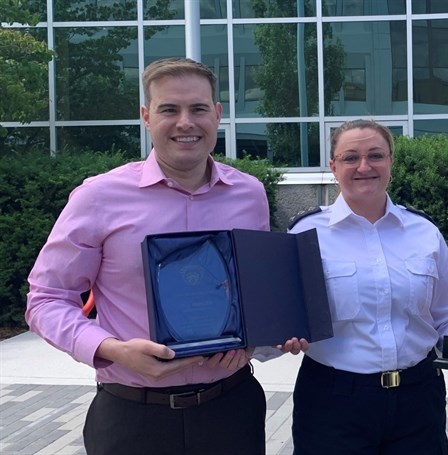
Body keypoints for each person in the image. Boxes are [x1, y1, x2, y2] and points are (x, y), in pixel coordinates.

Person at [26, 57, 304, 455]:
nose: (185, 122)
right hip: (132, 418)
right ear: (146, 116)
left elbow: (252, 292)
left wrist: (263, 336)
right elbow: (46, 299)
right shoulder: (98, 197)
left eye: (198, 109)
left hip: (232, 410)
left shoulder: (249, 194)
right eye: (169, 109)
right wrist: (110, 349)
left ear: (218, 114)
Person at [287, 119, 448, 455]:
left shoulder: (424, 232)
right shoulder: (305, 235)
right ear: (333, 166)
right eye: (350, 157)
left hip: (418, 398)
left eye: (375, 155)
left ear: (390, 163)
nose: (364, 166)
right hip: (332, 401)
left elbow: (447, 316)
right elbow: (283, 317)